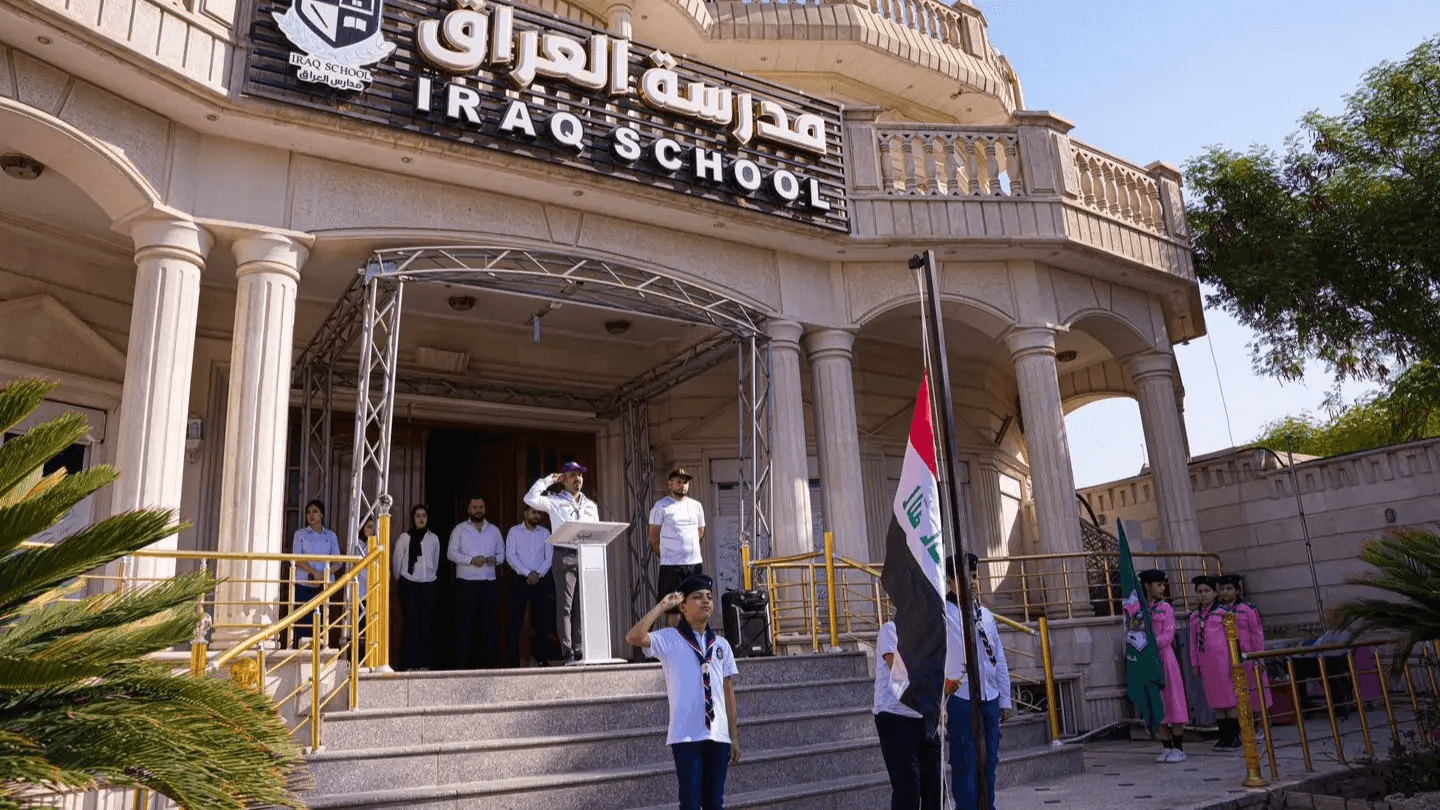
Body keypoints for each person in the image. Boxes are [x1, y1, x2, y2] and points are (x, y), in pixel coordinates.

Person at [625, 574, 740, 810]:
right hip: (686, 736)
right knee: (689, 802)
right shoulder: (670, 639)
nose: (705, 601)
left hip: (717, 736)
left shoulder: (721, 645)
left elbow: (728, 689)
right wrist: (662, 607)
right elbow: (634, 637)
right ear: (683, 607)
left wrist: (734, 735)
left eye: (708, 597)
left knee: (714, 803)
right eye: (697, 597)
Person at [944, 553, 1011, 810]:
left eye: (974, 577)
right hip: (961, 700)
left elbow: (999, 659)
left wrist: (1005, 699)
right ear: (951, 580)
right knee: (966, 764)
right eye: (965, 577)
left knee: (989, 762)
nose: (972, 582)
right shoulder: (944, 615)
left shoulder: (985, 615)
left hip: (989, 697)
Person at [525, 461, 598, 663]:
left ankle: (581, 649)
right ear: (564, 479)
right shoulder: (554, 501)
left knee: (581, 606)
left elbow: (598, 531)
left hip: (586, 554)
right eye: (573, 475)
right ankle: (568, 652)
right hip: (564, 554)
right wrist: (549, 480)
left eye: (580, 475)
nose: (578, 479)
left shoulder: (590, 505)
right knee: (565, 606)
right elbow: (529, 498)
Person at [873, 619, 942, 810]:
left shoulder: (928, 635)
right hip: (896, 718)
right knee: (908, 791)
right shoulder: (891, 630)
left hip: (925, 717)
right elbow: (899, 673)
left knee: (934, 790)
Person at [1213, 572, 1272, 747]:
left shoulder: (1247, 609)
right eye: (1222, 589)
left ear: (1237, 590)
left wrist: (1259, 657)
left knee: (1257, 696)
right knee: (1239, 697)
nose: (1225, 592)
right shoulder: (1218, 612)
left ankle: (1263, 728)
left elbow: (1257, 633)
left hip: (1249, 657)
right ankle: (1247, 728)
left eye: (1229, 588)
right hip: (1230, 659)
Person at [448, 497, 505, 669]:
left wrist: (496, 560)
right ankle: (461, 665)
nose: (478, 510)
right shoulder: (460, 530)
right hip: (466, 583)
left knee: (490, 625)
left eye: (481, 506)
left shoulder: (494, 531)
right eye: (474, 507)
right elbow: (451, 553)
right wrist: (471, 560)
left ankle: (491, 665)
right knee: (464, 625)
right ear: (469, 510)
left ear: (485, 509)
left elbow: (502, 554)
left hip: (489, 582)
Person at [1140, 569, 1190, 762]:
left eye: (1163, 585)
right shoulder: (1141, 610)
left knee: (1173, 700)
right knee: (1156, 702)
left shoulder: (1166, 608)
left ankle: (1178, 747)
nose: (1162, 588)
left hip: (1164, 657)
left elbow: (1168, 636)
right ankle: (1166, 746)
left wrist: (1149, 644)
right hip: (1148, 660)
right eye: (1158, 584)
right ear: (1147, 586)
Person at [649, 468, 706, 625]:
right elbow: (653, 537)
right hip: (671, 566)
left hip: (693, 564)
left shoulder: (696, 506)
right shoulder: (661, 506)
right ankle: (673, 646)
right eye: (679, 482)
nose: (683, 485)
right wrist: (668, 554)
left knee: (693, 606)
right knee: (673, 608)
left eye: (685, 482)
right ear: (670, 484)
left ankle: (691, 644)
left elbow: (700, 532)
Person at [505, 504, 556, 667]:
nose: (536, 516)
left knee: (542, 621)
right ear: (525, 513)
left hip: (540, 580)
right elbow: (511, 556)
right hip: (520, 579)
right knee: (515, 620)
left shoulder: (545, 533)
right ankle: (512, 661)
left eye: (539, 513)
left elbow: (548, 558)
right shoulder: (514, 532)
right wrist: (527, 573)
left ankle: (542, 659)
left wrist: (537, 574)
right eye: (533, 512)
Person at [393, 505, 440, 671]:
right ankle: (410, 664)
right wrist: (401, 578)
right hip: (409, 583)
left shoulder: (433, 538)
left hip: (428, 584)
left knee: (426, 624)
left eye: (424, 516)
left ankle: (425, 664)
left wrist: (429, 577)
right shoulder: (405, 537)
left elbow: (435, 560)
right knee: (411, 624)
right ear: (413, 518)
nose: (421, 519)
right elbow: (397, 560)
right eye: (418, 516)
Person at [291, 499, 340, 648]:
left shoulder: (330, 536)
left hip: (324, 585)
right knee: (303, 621)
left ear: (322, 515)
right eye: (308, 512)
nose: (311, 515)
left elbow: (338, 562)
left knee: (321, 620)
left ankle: (320, 651)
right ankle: (301, 651)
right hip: (304, 583)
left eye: (315, 512)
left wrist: (323, 574)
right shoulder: (300, 534)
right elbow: (296, 559)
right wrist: (314, 573)